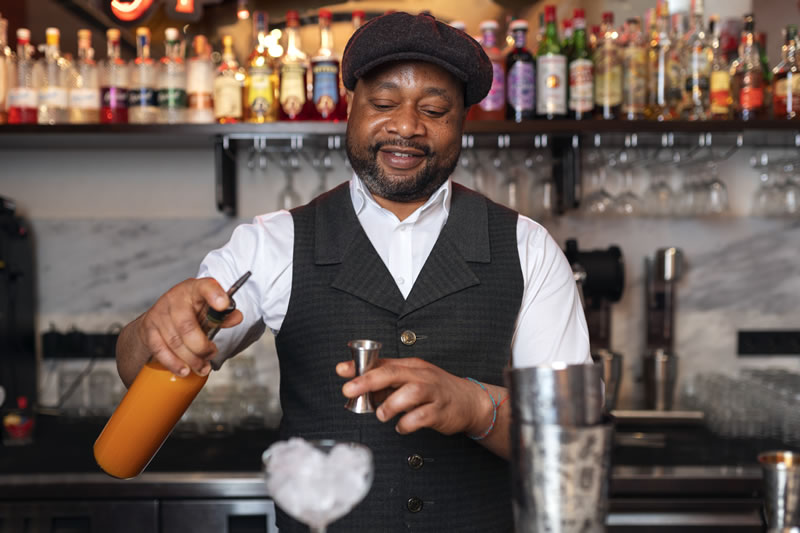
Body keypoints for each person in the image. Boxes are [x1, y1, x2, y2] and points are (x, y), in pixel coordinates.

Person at [115, 12, 590, 532]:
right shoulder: (273, 243)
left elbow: (572, 445)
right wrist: (152, 330)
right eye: (384, 103)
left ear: (462, 123)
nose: (406, 125)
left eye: (433, 109)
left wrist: (478, 408)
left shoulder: (529, 249)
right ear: (350, 107)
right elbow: (143, 369)